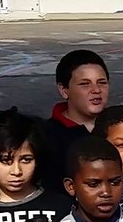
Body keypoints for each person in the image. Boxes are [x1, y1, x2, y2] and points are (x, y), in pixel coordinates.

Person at [42, 49, 110, 185]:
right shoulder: (45, 137)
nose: (96, 90)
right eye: (85, 84)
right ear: (63, 90)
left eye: (102, 82)